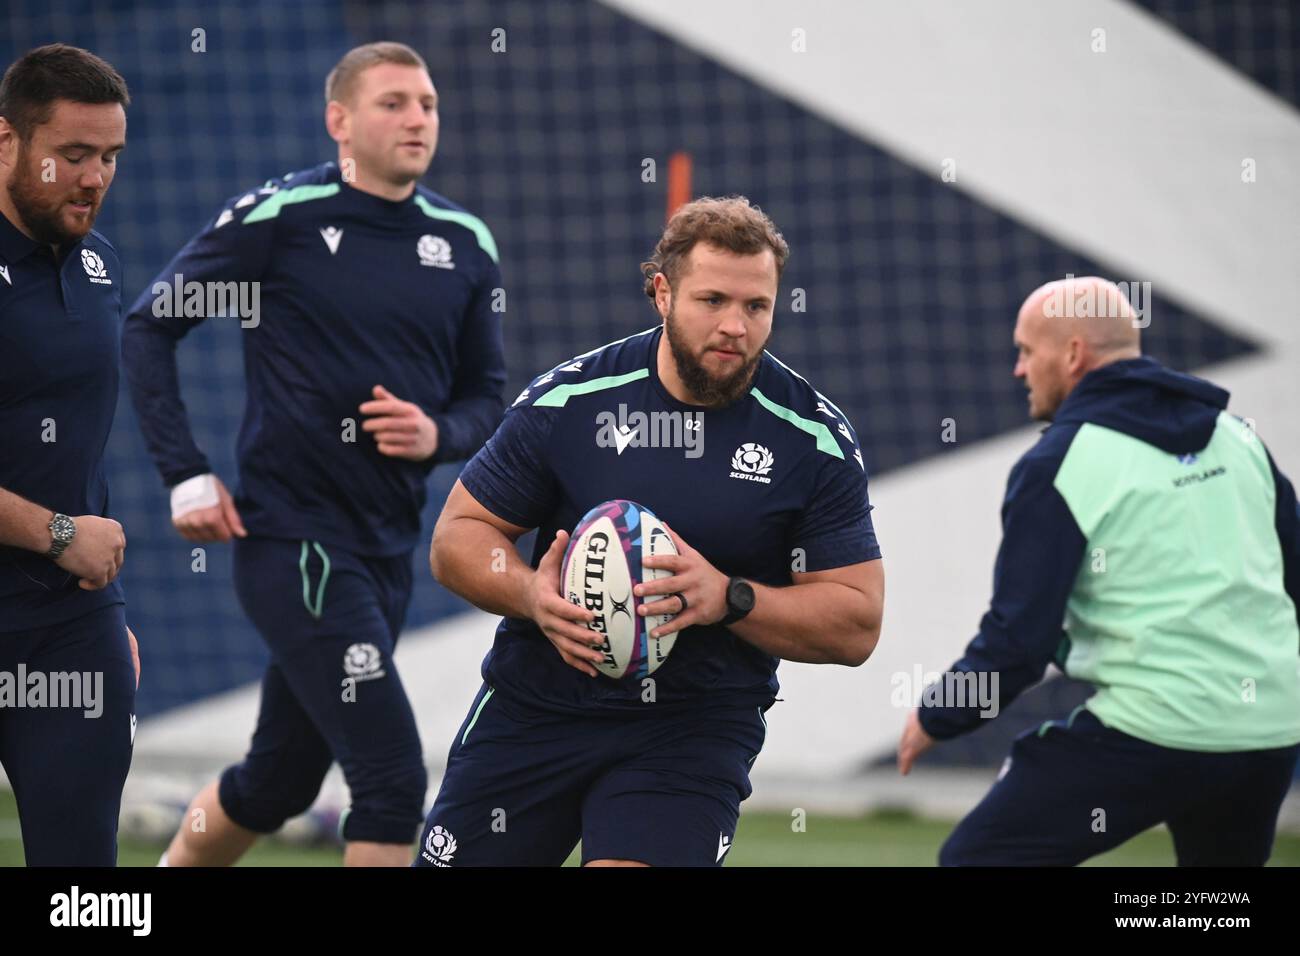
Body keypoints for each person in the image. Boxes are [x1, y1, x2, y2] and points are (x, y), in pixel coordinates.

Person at [122, 42, 506, 867]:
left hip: (388, 550)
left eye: (427, 104)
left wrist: (439, 434)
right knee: (393, 777)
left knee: (277, 783)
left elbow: (487, 398)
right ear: (339, 120)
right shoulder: (282, 221)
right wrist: (183, 471)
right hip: (296, 545)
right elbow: (150, 325)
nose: (416, 119)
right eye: (393, 102)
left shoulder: (464, 242)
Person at [415, 196, 884, 867]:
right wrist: (530, 597)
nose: (735, 326)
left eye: (757, 307)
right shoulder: (571, 402)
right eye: (713, 299)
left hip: (692, 726)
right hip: (537, 707)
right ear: (662, 293)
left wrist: (729, 598)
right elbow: (459, 536)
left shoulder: (813, 439)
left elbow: (858, 622)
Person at [897, 276, 1300, 866]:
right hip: (1269, 730)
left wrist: (935, 716)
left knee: (976, 860)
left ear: (1073, 354)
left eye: (1027, 351)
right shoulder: (1236, 437)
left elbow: (1017, 644)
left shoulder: (1058, 463)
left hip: (1157, 733)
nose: (1018, 369)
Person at [0, 43, 139, 866]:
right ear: (7, 142)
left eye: (111, 157)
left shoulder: (100, 265)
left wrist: (107, 621)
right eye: (74, 155)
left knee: (86, 880)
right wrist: (58, 532)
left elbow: (75, 445)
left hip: (70, 624)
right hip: (55, 557)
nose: (94, 178)